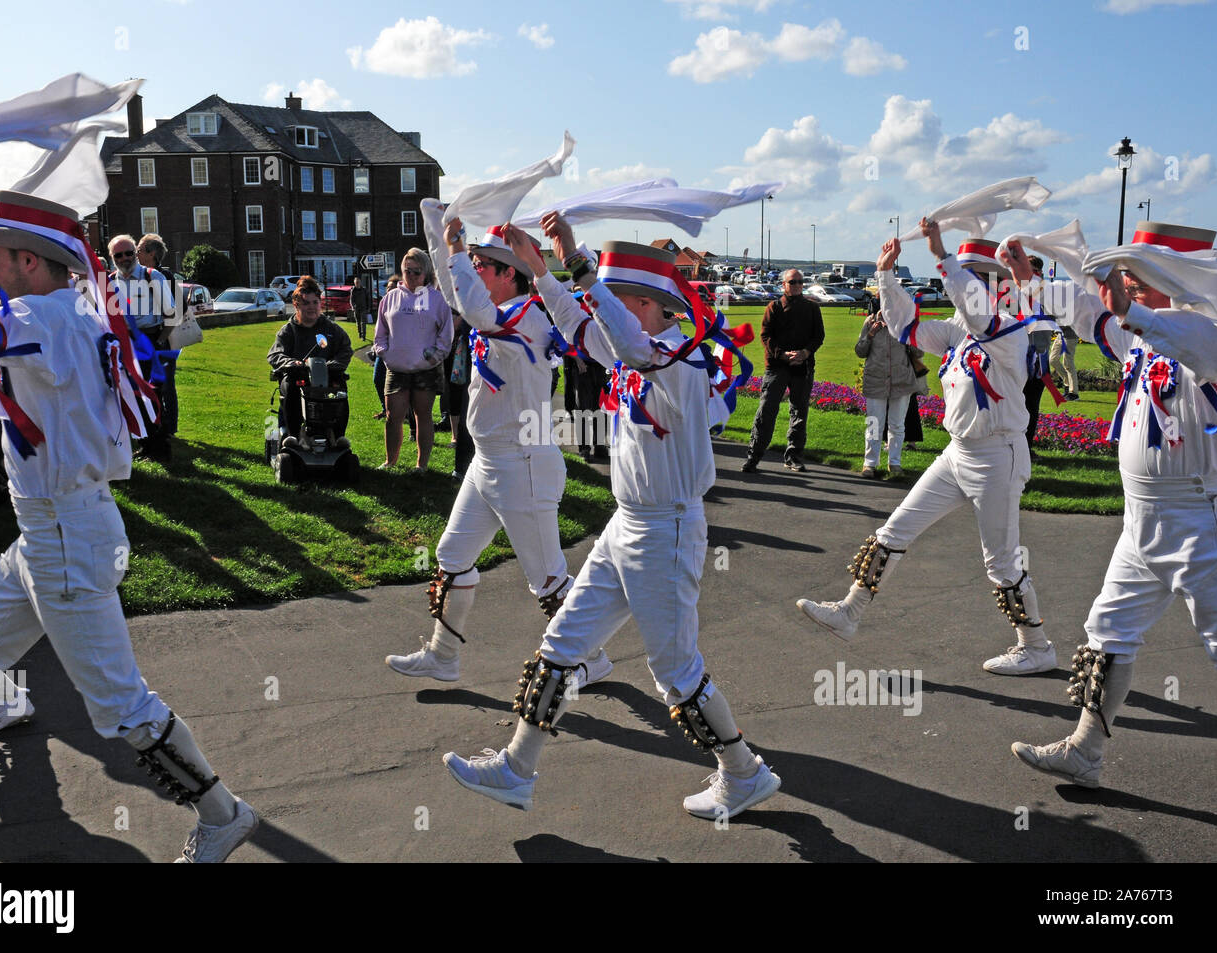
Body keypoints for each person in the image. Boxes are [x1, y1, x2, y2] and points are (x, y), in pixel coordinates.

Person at [0, 191, 256, 861]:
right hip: (50, 531)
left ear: (27, 260)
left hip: (66, 535)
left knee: (120, 705)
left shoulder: (45, 313)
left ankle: (223, 813)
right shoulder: (64, 306)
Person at [442, 214, 779, 820]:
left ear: (644, 304)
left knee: (676, 670)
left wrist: (579, 268)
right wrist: (542, 268)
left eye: (616, 298)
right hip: (627, 524)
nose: (604, 307)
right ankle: (517, 769)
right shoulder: (639, 353)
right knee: (561, 642)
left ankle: (743, 771)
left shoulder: (680, 363)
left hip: (668, 529)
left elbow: (622, 340)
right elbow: (576, 323)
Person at [1011, 221, 1217, 787]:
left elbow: (1160, 328)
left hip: (1202, 522)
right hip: (1140, 521)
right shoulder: (1142, 332)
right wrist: (1029, 282)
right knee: (1107, 633)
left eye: (1141, 272)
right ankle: (1084, 751)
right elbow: (1090, 315)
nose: (1130, 281)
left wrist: (1130, 306)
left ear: (1173, 276)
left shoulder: (1210, 333)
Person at [797, 222, 1057, 677]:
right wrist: (886, 276)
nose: (969, 285)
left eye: (979, 276)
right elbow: (906, 328)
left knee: (1000, 562)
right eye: (968, 276)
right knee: (894, 531)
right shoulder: (960, 332)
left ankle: (1036, 646)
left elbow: (979, 316)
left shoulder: (1011, 329)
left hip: (999, 456)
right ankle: (849, 613)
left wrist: (942, 255)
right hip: (958, 453)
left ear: (995, 286)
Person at [385, 221, 600, 685]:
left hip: (521, 464)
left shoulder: (524, 316)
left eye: (483, 265)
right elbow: (459, 294)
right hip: (490, 462)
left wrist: (457, 249)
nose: (476, 270)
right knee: (452, 555)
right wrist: (436, 231)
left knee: (548, 580)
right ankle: (443, 657)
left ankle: (591, 659)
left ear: (509, 275)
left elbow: (475, 310)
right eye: (476, 264)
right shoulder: (505, 312)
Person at [371, 251, 451, 471]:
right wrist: (384, 353)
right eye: (408, 271)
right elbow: (380, 333)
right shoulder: (390, 298)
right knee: (392, 416)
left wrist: (435, 356)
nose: (412, 276)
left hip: (426, 369)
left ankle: (421, 465)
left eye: (417, 271)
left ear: (426, 272)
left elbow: (446, 334)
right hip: (396, 368)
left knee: (422, 415)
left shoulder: (436, 299)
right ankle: (390, 460)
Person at [741, 268, 824, 473]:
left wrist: (805, 353)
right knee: (766, 411)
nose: (796, 285)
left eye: (799, 282)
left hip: (802, 367)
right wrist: (782, 354)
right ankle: (754, 456)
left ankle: (793, 456)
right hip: (777, 367)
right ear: (783, 285)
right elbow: (766, 336)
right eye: (792, 282)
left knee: (799, 413)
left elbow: (818, 336)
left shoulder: (812, 308)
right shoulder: (774, 307)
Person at [108, 233, 175, 462]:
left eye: (129, 253)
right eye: (119, 254)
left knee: (153, 394)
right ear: (112, 257)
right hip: (124, 344)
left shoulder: (152, 276)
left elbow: (171, 313)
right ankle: (146, 444)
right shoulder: (107, 281)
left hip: (150, 340)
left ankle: (160, 447)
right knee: (132, 395)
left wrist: (158, 341)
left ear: (135, 254)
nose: (125, 258)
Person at [266, 276, 354, 447]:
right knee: (291, 384)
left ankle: (337, 437)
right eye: (306, 303)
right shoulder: (288, 331)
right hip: (298, 378)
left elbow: (345, 349)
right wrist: (292, 363)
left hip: (325, 377)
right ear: (297, 305)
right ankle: (293, 436)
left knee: (340, 385)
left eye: (315, 303)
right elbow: (275, 354)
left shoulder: (331, 329)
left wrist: (334, 364)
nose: (312, 308)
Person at [855, 306, 921, 479]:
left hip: (901, 381)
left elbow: (919, 352)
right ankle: (869, 463)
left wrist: (908, 336)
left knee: (897, 424)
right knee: (874, 424)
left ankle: (895, 463)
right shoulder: (870, 321)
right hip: (876, 380)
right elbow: (860, 351)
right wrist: (870, 334)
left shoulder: (905, 323)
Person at [1049, 325, 1080, 402]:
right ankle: (1068, 384)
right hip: (1060, 336)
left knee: (1068, 364)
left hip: (1070, 337)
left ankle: (1074, 394)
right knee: (1052, 360)